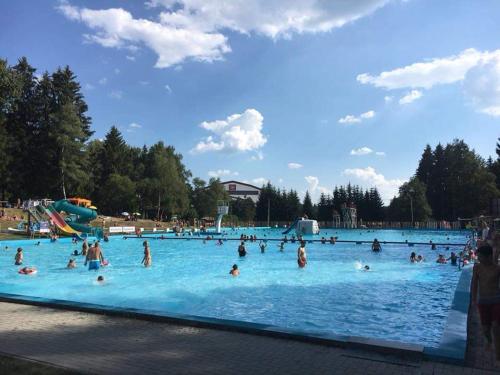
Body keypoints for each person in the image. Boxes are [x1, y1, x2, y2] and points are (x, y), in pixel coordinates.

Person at [471, 245, 500, 361]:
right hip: (483, 301)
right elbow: (474, 284)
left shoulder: (497, 269)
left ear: (488, 256)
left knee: (496, 327)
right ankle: (489, 341)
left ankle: (498, 356)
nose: (479, 258)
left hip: (496, 300)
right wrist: (473, 300)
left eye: (481, 256)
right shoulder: (477, 268)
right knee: (485, 329)